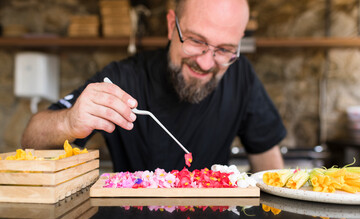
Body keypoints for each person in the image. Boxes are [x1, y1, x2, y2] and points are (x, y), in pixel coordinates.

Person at [21, 0, 286, 173]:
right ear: (172, 25)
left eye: (225, 49)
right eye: (195, 41)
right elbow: (31, 139)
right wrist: (68, 122)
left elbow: (268, 163)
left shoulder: (241, 76)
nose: (206, 63)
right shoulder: (122, 77)